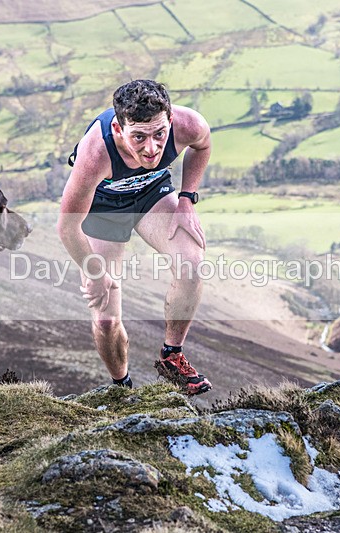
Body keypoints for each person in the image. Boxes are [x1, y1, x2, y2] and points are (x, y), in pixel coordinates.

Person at [58, 79, 212, 395]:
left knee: (192, 263)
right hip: (102, 206)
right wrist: (95, 271)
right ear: (118, 129)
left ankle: (172, 356)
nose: (152, 148)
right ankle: (123, 388)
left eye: (160, 134)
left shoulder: (188, 124)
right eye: (138, 137)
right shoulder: (96, 152)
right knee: (105, 318)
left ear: (170, 120)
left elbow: (203, 145)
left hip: (152, 193)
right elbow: (67, 226)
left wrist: (187, 198)